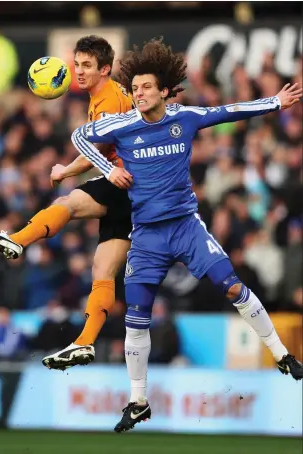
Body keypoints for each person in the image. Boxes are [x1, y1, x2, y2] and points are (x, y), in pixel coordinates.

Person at [70, 38, 303, 432]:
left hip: (185, 227)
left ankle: (281, 354)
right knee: (137, 319)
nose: (138, 94)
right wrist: (106, 169)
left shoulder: (185, 117)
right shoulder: (122, 124)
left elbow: (229, 111)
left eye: (146, 88)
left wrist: (275, 103)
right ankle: (138, 400)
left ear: (163, 91)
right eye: (135, 88)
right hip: (145, 236)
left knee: (231, 287)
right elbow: (80, 136)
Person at [0, 35, 133, 367]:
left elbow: (97, 153)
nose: (79, 71)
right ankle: (86, 342)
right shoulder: (105, 96)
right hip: (134, 192)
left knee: (70, 201)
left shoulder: (108, 101)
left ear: (105, 69)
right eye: (77, 65)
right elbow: (97, 148)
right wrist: (70, 168)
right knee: (102, 270)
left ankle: (16, 240)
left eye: (87, 65)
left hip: (124, 181)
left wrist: (66, 170)